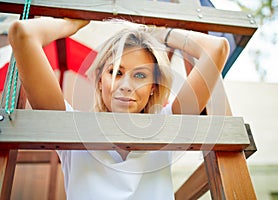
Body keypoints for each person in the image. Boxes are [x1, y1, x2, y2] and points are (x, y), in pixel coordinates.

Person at [8, 17, 229, 199]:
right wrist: (75, 23)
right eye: (116, 72)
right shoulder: (71, 127)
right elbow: (22, 34)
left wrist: (161, 34)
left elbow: (216, 48)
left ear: (154, 87)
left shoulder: (167, 124)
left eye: (140, 75)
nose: (126, 86)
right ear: (99, 80)